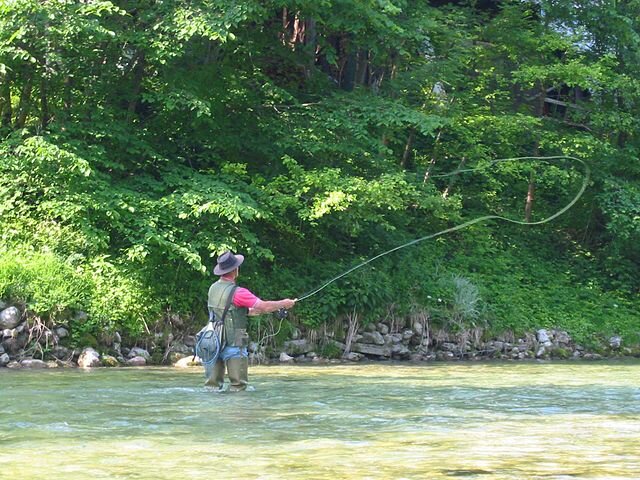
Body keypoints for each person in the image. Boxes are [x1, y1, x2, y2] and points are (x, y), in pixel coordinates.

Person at [205, 250, 296, 391]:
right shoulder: (238, 292)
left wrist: (253, 312)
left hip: (213, 341)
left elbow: (227, 311)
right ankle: (238, 412)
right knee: (238, 387)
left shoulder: (213, 288)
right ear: (235, 270)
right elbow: (264, 306)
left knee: (212, 388)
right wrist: (283, 303)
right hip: (235, 342)